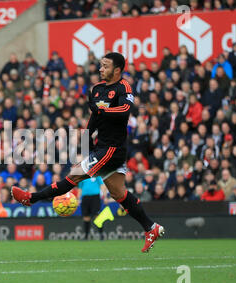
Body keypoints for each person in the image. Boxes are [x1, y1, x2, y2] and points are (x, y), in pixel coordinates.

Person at [12, 52, 165, 253]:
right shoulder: (97, 89)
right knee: (118, 193)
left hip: (113, 149)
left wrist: (101, 111)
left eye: (105, 66)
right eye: (100, 65)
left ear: (117, 70)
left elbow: (124, 111)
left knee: (74, 174)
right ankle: (151, 227)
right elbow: (94, 119)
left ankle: (31, 199)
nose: (100, 69)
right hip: (102, 147)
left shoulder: (124, 87)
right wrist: (86, 141)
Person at [78, 176, 106, 240]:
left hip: (95, 197)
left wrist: (105, 196)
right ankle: (86, 236)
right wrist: (78, 198)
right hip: (85, 197)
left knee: (97, 216)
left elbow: (102, 185)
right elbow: (80, 188)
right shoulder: (83, 176)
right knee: (86, 217)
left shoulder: (96, 175)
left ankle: (101, 235)